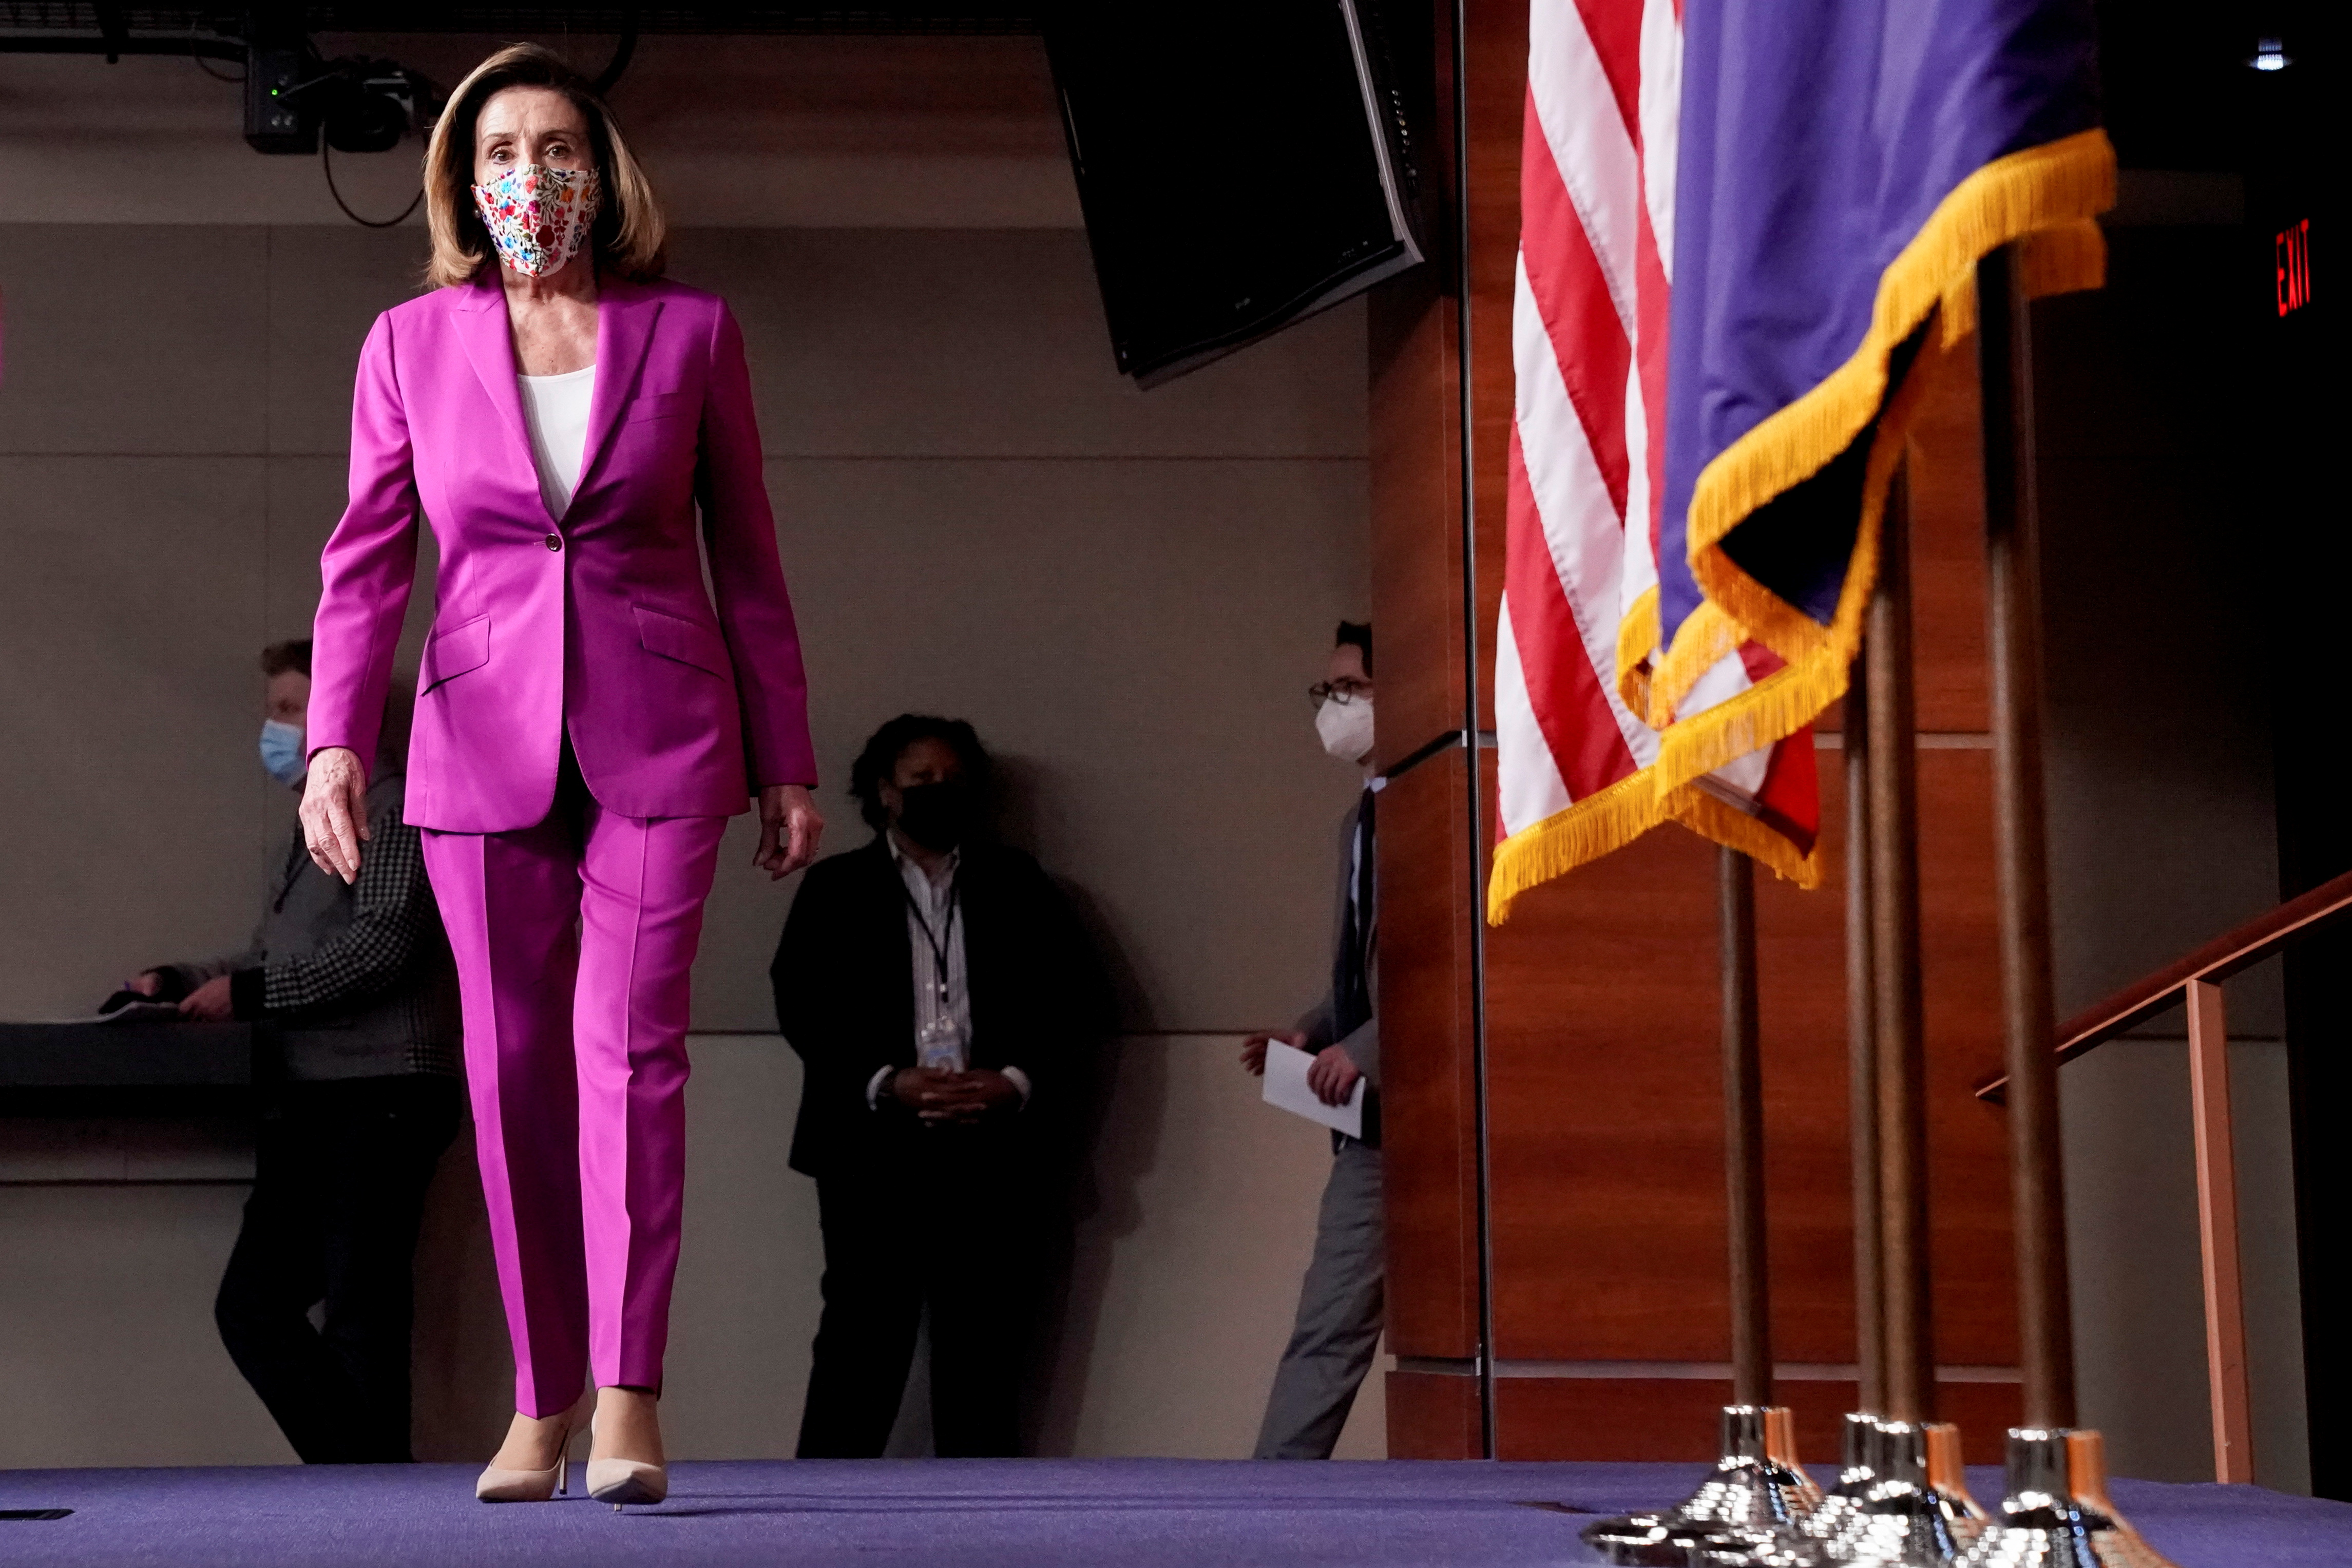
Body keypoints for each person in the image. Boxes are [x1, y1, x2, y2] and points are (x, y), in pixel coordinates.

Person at [297, 44, 824, 1506]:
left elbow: (750, 560)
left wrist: (785, 758)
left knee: (632, 1055)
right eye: (501, 152)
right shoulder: (408, 344)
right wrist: (335, 739)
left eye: (556, 147)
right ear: (465, 187)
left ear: (603, 173)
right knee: (509, 1067)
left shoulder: (691, 333)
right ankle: (544, 1397)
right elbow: (365, 560)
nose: (531, 174)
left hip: (663, 732)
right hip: (476, 741)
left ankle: (630, 1395)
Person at [127, 638, 460, 1464]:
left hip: (380, 1095)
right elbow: (271, 953)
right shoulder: (314, 826)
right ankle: (370, 1483)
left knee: (359, 1314)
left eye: (288, 710)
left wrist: (246, 994)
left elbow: (382, 947)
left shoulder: (396, 809)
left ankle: (373, 1494)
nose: (273, 729)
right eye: (273, 710)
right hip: (315, 1097)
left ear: (345, 714)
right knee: (260, 1306)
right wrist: (181, 979)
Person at [770, 715, 1103, 1459]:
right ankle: (819, 1504)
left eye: (953, 779)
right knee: (859, 1339)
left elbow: (1073, 999)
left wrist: (1013, 1081)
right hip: (870, 1149)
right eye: (921, 779)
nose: (938, 791)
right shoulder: (835, 888)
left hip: (993, 1148)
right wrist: (887, 1081)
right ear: (885, 791)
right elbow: (803, 1005)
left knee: (984, 1347)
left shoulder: (1017, 882)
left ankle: (980, 1512)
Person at [1241, 621, 1383, 1460]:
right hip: (1377, 1123)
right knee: (1327, 1323)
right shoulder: (1356, 822)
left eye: (1351, 689)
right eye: (1328, 691)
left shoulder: (1443, 813)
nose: (1334, 706)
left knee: (1335, 1322)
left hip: (1446, 1112)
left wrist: (1362, 1048)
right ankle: (1270, 1494)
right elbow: (1366, 970)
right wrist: (1313, 1030)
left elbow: (1459, 971)